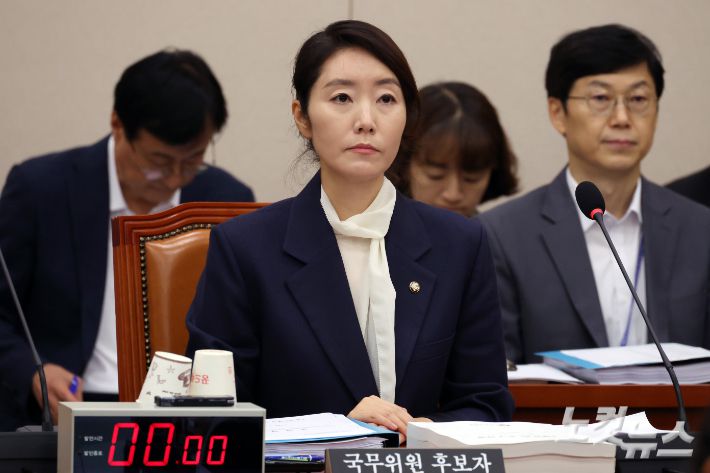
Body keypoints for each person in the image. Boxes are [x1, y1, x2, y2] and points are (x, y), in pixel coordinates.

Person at [186, 20, 513, 441]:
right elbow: (213, 421)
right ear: (302, 117)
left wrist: (423, 433)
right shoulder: (245, 249)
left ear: (407, 118)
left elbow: (487, 405)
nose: (366, 120)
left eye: (386, 99)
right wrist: (335, 430)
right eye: (342, 97)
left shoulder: (459, 244)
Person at [0, 49, 254, 430]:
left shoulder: (225, 201)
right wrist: (31, 371)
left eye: (192, 160)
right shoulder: (41, 190)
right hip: (69, 407)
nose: (174, 179)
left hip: (185, 416)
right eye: (158, 162)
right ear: (118, 124)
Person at [479, 24, 710, 363]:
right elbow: (497, 372)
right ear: (558, 113)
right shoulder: (502, 235)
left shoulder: (700, 229)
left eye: (638, 100)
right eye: (600, 99)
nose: (622, 118)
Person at [389, 81, 518, 216]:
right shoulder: (376, 227)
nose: (453, 195)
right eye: (435, 175)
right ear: (403, 166)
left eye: (471, 179)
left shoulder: (499, 229)